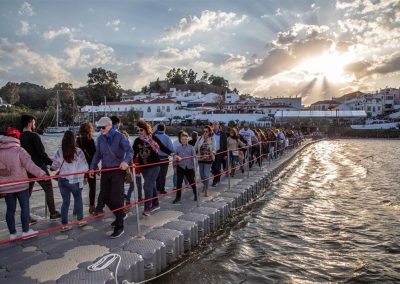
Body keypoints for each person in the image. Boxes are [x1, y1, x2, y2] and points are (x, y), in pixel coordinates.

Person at [90, 117, 133, 239]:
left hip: (118, 170)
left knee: (116, 198)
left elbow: (130, 151)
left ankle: (120, 226)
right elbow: (97, 154)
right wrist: (92, 167)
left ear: (109, 126)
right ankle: (120, 215)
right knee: (104, 197)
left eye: (102, 127)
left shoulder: (119, 136)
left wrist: (125, 162)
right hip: (105, 170)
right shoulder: (100, 139)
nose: (101, 130)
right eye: (99, 128)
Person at [0, 128, 47, 240]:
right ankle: (25, 231)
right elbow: (30, 166)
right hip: (21, 185)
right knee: (25, 208)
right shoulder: (20, 151)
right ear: (17, 138)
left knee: (10, 210)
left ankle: (12, 234)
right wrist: (42, 174)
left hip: (6, 186)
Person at [20, 114, 60, 223]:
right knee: (48, 189)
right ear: (29, 123)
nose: (34, 124)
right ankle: (53, 213)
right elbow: (41, 153)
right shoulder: (34, 136)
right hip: (38, 167)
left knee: (27, 193)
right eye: (33, 122)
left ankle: (26, 216)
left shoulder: (19, 137)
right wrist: (52, 163)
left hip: (26, 169)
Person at [133, 120, 173, 216]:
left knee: (147, 185)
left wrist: (172, 154)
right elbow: (133, 154)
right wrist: (128, 162)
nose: (139, 132)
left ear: (146, 130)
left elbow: (162, 147)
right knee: (151, 185)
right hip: (144, 167)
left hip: (154, 166)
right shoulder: (137, 141)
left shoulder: (153, 138)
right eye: (137, 130)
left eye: (141, 130)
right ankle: (156, 204)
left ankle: (147, 208)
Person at [51, 130, 88, 232]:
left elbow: (54, 167)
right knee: (78, 199)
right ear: (74, 139)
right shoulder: (78, 151)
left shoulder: (59, 151)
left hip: (62, 179)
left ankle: (65, 225)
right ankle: (80, 221)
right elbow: (85, 167)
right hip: (75, 180)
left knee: (65, 202)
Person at [76, 122, 97, 215]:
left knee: (78, 188)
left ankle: (76, 208)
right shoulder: (91, 140)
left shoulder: (78, 141)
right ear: (90, 130)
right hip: (90, 167)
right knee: (92, 187)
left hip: (80, 168)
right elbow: (94, 155)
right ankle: (92, 207)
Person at [173, 132, 197, 204]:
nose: (184, 140)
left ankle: (196, 194)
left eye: (185, 139)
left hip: (189, 167)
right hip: (180, 167)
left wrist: (195, 168)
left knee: (192, 182)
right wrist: (174, 167)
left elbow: (194, 158)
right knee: (179, 183)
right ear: (180, 140)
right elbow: (175, 157)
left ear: (188, 139)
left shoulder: (191, 147)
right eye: (183, 139)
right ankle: (178, 197)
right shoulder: (178, 148)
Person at [194, 125, 215, 197]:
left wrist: (212, 153)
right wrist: (193, 154)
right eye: (204, 131)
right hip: (200, 159)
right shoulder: (200, 138)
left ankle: (206, 190)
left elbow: (214, 149)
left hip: (209, 159)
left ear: (209, 132)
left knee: (206, 174)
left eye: (206, 131)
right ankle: (204, 185)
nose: (205, 133)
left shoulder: (212, 139)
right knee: (202, 175)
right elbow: (195, 147)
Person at [154, 124, 174, 194]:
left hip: (155, 158)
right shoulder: (167, 137)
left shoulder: (154, 137)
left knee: (157, 174)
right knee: (163, 174)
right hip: (164, 158)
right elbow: (171, 149)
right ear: (164, 129)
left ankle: (157, 187)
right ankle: (162, 189)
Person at [211, 121, 227, 187]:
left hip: (219, 152)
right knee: (213, 167)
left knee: (217, 167)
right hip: (211, 152)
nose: (215, 125)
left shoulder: (222, 134)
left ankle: (216, 180)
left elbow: (225, 145)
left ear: (218, 125)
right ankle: (216, 178)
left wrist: (225, 154)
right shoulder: (210, 133)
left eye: (216, 124)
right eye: (213, 124)